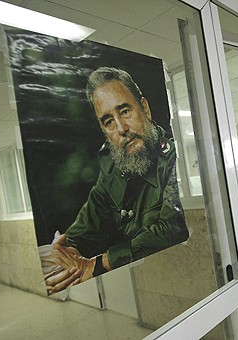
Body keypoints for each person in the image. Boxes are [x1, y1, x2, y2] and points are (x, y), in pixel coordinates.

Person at [41, 67, 189, 294]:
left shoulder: (174, 157)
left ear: (145, 108)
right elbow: (87, 225)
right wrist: (62, 254)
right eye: (109, 121)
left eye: (125, 111)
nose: (121, 129)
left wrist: (98, 264)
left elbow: (174, 228)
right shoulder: (112, 166)